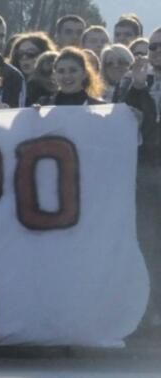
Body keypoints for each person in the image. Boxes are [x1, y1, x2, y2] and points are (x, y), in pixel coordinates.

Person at [117, 27, 161, 335]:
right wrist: (138, 87)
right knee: (146, 243)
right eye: (153, 46)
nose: (156, 52)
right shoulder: (131, 81)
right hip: (144, 170)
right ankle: (147, 310)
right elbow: (126, 120)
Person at [37, 47, 105, 106]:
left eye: (73, 70)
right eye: (61, 71)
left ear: (84, 74)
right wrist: (35, 114)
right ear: (54, 75)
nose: (67, 76)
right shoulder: (44, 104)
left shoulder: (99, 107)